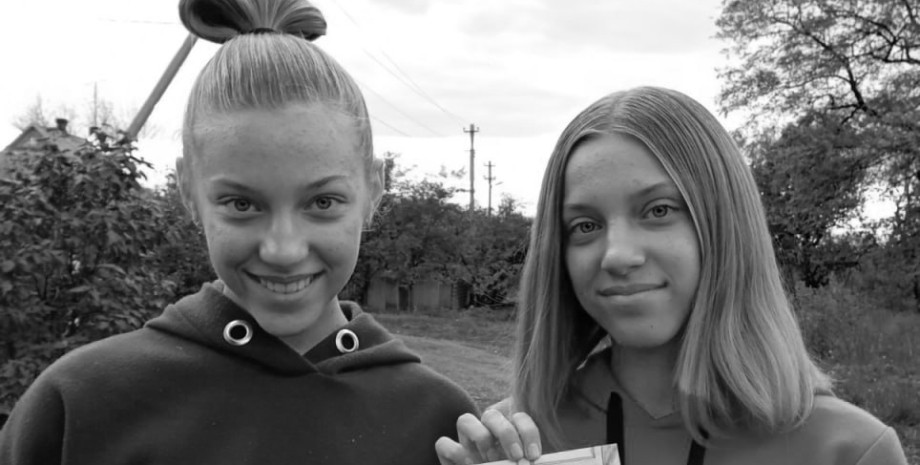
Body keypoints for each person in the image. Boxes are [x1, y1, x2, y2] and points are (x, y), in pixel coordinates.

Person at [0, 0, 477, 463]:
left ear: (374, 189)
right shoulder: (81, 406)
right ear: (188, 191)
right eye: (242, 204)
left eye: (323, 202)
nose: (284, 250)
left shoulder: (440, 426)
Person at [436, 87, 908, 465]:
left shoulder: (848, 450)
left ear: (724, 227)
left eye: (658, 210)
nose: (617, 255)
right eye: (585, 226)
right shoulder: (516, 441)